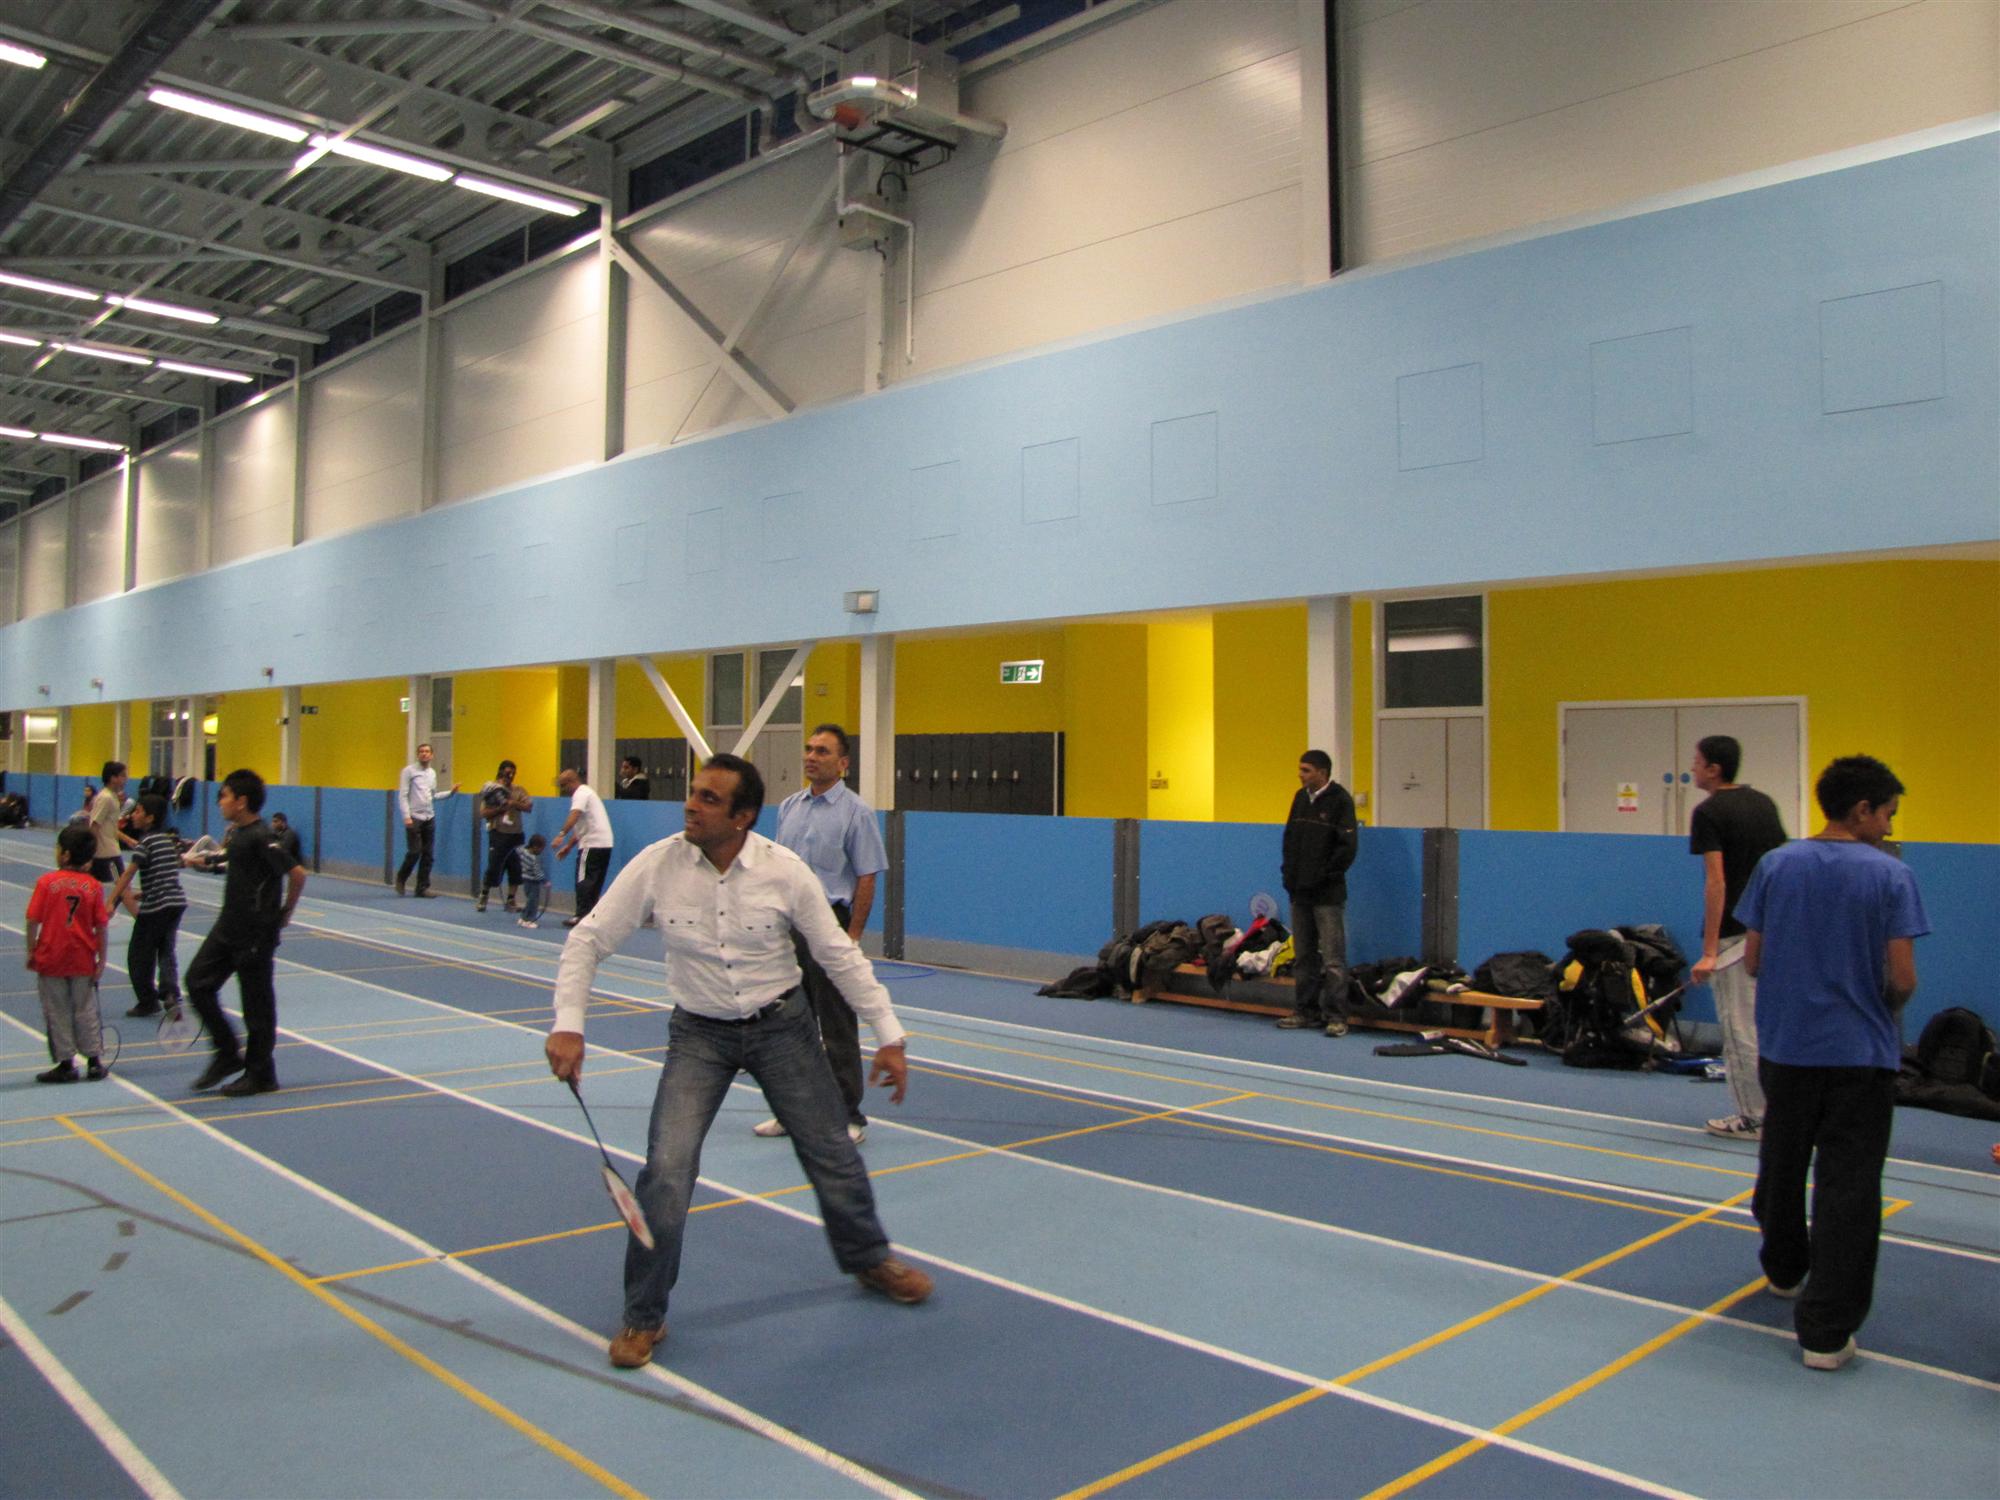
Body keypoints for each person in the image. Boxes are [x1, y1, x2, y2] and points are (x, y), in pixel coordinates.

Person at [544, 753, 932, 1370]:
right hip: (698, 1034)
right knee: (666, 1173)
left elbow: (837, 955)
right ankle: (644, 1317)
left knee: (832, 1152)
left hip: (783, 1028)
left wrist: (889, 1033)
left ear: (744, 817)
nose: (690, 805)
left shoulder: (785, 872)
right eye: (692, 793)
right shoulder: (658, 864)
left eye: (707, 799)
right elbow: (587, 940)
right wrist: (569, 1026)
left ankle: (868, 1258)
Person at [1737, 754, 1928, 1372]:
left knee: (1783, 1162)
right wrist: (1881, 1000)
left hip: (1787, 1047)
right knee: (1849, 1189)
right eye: (1888, 814)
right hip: (1859, 1056)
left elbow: (1755, 961)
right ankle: (1824, 1331)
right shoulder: (1890, 877)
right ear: (1862, 809)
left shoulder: (1775, 865)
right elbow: (1902, 977)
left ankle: (1785, 1269)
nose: (1890, 827)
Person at [753, 724, 887, 1144]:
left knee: (837, 1025)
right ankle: (791, 1111)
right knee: (789, 1025)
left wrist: (852, 936)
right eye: (809, 749)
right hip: (788, 926)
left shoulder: (856, 812)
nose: (812, 756)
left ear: (843, 763)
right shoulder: (790, 807)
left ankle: (849, 1115)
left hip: (830, 925)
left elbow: (867, 877)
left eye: (823, 751)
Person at [1687, 734, 1789, 1140]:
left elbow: (1716, 881)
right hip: (1771, 930)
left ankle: (1755, 1117)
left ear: (1714, 768)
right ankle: (1777, 1110)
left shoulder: (1709, 812)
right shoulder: (1764, 803)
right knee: (1767, 1026)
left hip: (1734, 936)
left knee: (1739, 1028)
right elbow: (1778, 868)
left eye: (1696, 762)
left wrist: (1710, 951)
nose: (1692, 768)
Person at [186, 769, 308, 1098]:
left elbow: (297, 874)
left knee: (256, 1005)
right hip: (229, 926)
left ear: (241, 802)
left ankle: (261, 1074)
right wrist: (207, 862)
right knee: (197, 982)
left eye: (224, 796)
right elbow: (239, 865)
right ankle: (227, 1052)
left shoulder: (261, 835)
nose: (220, 802)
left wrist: (285, 914)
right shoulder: (239, 834)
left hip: (255, 932)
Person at [1278, 749, 1359, 1037]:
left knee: (1333, 958)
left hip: (1327, 895)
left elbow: (1347, 849)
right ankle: (1305, 1011)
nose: (1300, 775)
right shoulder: (1300, 799)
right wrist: (1289, 876)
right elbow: (1289, 839)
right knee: (1304, 956)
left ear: (1322, 772)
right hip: (1299, 893)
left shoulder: (1340, 801)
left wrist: (1323, 877)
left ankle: (1337, 1016)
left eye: (1306, 770)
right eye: (1300, 770)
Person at [26, 825, 109, 1083]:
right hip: (83, 958)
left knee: (57, 1010)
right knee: (85, 1009)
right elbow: (101, 927)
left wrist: (32, 950)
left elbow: (32, 920)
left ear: (64, 855)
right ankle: (94, 1061)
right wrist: (102, 960)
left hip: (51, 957)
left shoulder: (46, 883)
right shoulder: (94, 887)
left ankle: (66, 1063)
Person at [108, 793, 188, 1021]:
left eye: (139, 811)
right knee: (165, 949)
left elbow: (128, 874)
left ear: (150, 818)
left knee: (138, 955)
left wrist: (111, 901)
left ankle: (148, 1000)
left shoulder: (145, 843)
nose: (134, 815)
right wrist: (145, 892)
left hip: (157, 908)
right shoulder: (166, 841)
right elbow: (165, 874)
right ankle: (171, 993)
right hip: (175, 903)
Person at [551, 768, 613, 928]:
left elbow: (575, 815)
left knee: (583, 879)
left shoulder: (580, 793)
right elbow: (582, 827)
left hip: (592, 844)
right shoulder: (588, 793)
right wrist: (569, 847)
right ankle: (592, 915)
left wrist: (561, 834)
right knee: (595, 881)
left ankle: (581, 915)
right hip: (604, 844)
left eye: (564, 786)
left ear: (572, 781)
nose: (563, 790)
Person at [394, 742, 458, 898]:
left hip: (429, 817)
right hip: (414, 817)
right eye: (421, 751)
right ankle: (401, 878)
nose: (424, 754)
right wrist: (406, 816)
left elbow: (433, 795)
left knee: (428, 854)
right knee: (415, 851)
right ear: (418, 755)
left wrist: (450, 793)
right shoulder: (409, 771)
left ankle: (422, 887)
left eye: (427, 751)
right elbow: (403, 795)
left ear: (431, 755)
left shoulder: (432, 773)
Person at [476, 760, 533, 912]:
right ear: (501, 772)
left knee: (516, 867)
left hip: (516, 834)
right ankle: (484, 895)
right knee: (494, 866)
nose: (510, 776)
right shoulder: (492, 790)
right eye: (508, 773)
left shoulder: (519, 790)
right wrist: (500, 809)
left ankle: (511, 900)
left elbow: (528, 806)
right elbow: (483, 813)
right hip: (498, 833)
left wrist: (513, 803)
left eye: (513, 773)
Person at [89, 761, 133, 884]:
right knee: (122, 887)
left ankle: (108, 903)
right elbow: (94, 826)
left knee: (121, 887)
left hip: (109, 852)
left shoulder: (112, 797)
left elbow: (110, 827)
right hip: (107, 855)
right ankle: (110, 904)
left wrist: (128, 840)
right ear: (113, 778)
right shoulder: (105, 798)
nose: (126, 779)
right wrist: (89, 852)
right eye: (123, 775)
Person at [515, 834, 550, 927]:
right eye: (541, 849)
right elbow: (537, 872)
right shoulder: (534, 859)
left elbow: (518, 849)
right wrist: (545, 881)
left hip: (525, 880)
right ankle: (529, 920)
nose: (541, 851)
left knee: (529, 900)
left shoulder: (523, 852)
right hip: (533, 882)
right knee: (533, 902)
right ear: (535, 847)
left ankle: (523, 917)